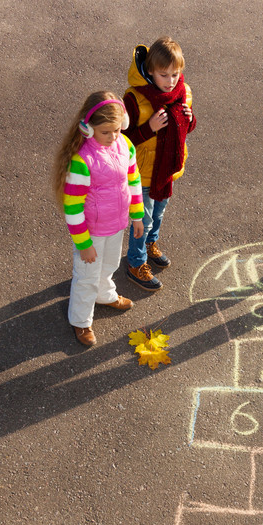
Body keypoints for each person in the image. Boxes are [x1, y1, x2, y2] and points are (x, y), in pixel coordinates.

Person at [55, 92, 144, 347]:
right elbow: (72, 209)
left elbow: (134, 180)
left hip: (116, 224)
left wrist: (137, 215)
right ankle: (81, 320)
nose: (113, 136)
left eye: (117, 129)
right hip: (92, 231)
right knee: (86, 276)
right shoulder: (82, 160)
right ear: (87, 128)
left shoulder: (125, 145)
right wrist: (84, 244)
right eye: (106, 132)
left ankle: (105, 295)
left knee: (109, 266)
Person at [123, 37, 197, 291]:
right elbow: (120, 140)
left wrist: (190, 119)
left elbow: (185, 128)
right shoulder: (134, 99)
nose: (171, 81)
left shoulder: (183, 93)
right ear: (150, 72)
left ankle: (149, 245)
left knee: (158, 214)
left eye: (175, 74)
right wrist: (149, 129)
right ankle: (136, 262)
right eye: (164, 75)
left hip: (166, 169)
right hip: (141, 174)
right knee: (141, 221)